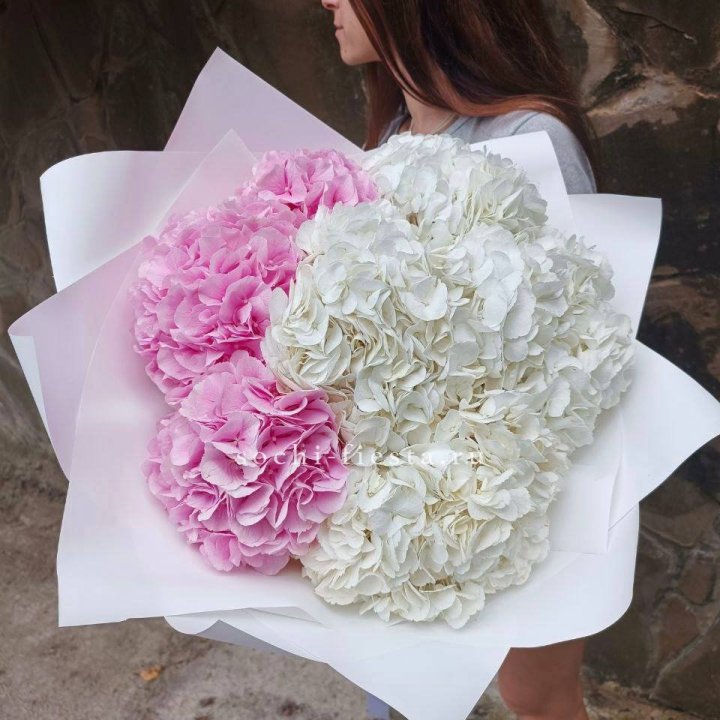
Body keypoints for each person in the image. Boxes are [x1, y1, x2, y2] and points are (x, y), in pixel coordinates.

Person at [320, 1, 595, 719]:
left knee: (534, 697)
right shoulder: (389, 138)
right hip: (400, 502)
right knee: (403, 690)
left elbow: (586, 336)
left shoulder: (529, 139)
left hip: (521, 494)